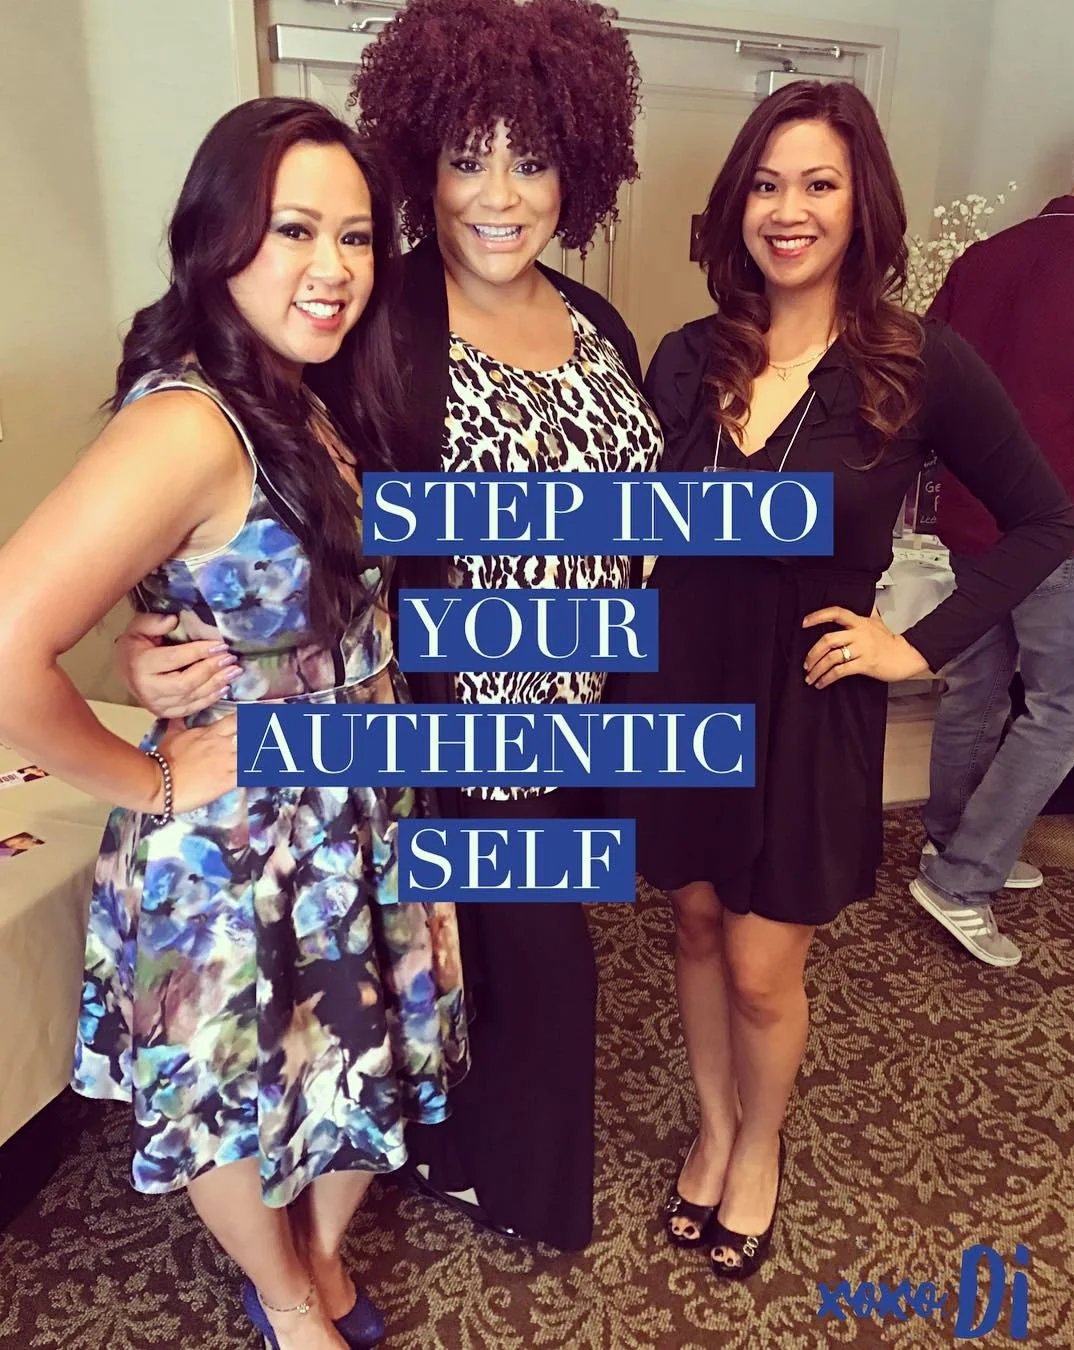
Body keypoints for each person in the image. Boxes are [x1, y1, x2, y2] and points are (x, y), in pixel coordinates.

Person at [118, 0, 659, 1253]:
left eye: (533, 160)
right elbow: (255, 487)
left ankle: (450, 1157)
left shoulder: (600, 325)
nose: (500, 195)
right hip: (442, 728)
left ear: (578, 170)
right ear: (423, 167)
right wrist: (149, 632)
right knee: (525, 971)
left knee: (468, 978)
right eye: (468, 158)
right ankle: (490, 1187)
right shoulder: (375, 317)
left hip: (575, 719)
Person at [0, 98, 468, 1350]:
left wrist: (147, 637)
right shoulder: (188, 421)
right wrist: (146, 781)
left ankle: (319, 1259)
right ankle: (284, 1294)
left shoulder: (308, 391)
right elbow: (5, 646)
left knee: (356, 1055)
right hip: (242, 834)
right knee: (238, 1091)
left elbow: (231, 582)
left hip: (358, 799)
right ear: (219, 240)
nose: (334, 268)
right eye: (294, 230)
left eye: (356, 237)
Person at [609, 81, 1074, 1281]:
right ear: (737, 205)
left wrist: (917, 644)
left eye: (818, 183)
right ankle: (715, 1128)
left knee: (765, 969)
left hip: (811, 701)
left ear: (861, 203)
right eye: (766, 184)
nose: (789, 209)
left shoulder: (919, 363)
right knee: (696, 924)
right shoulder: (686, 356)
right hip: (683, 686)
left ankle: (760, 1142)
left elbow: (1042, 519)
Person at [908, 140, 1074, 967]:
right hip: (1060, 525)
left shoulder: (985, 256)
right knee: (1063, 710)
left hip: (975, 518)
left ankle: (951, 840)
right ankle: (963, 875)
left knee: (976, 687)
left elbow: (924, 377)